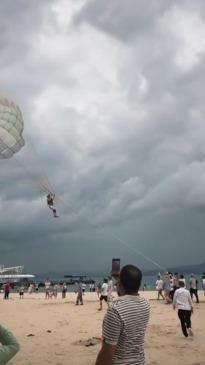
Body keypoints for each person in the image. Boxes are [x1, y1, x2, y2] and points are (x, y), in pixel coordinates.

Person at [95, 265, 150, 365]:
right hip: (139, 362)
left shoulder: (115, 310)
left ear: (120, 284)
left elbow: (107, 352)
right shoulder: (145, 304)